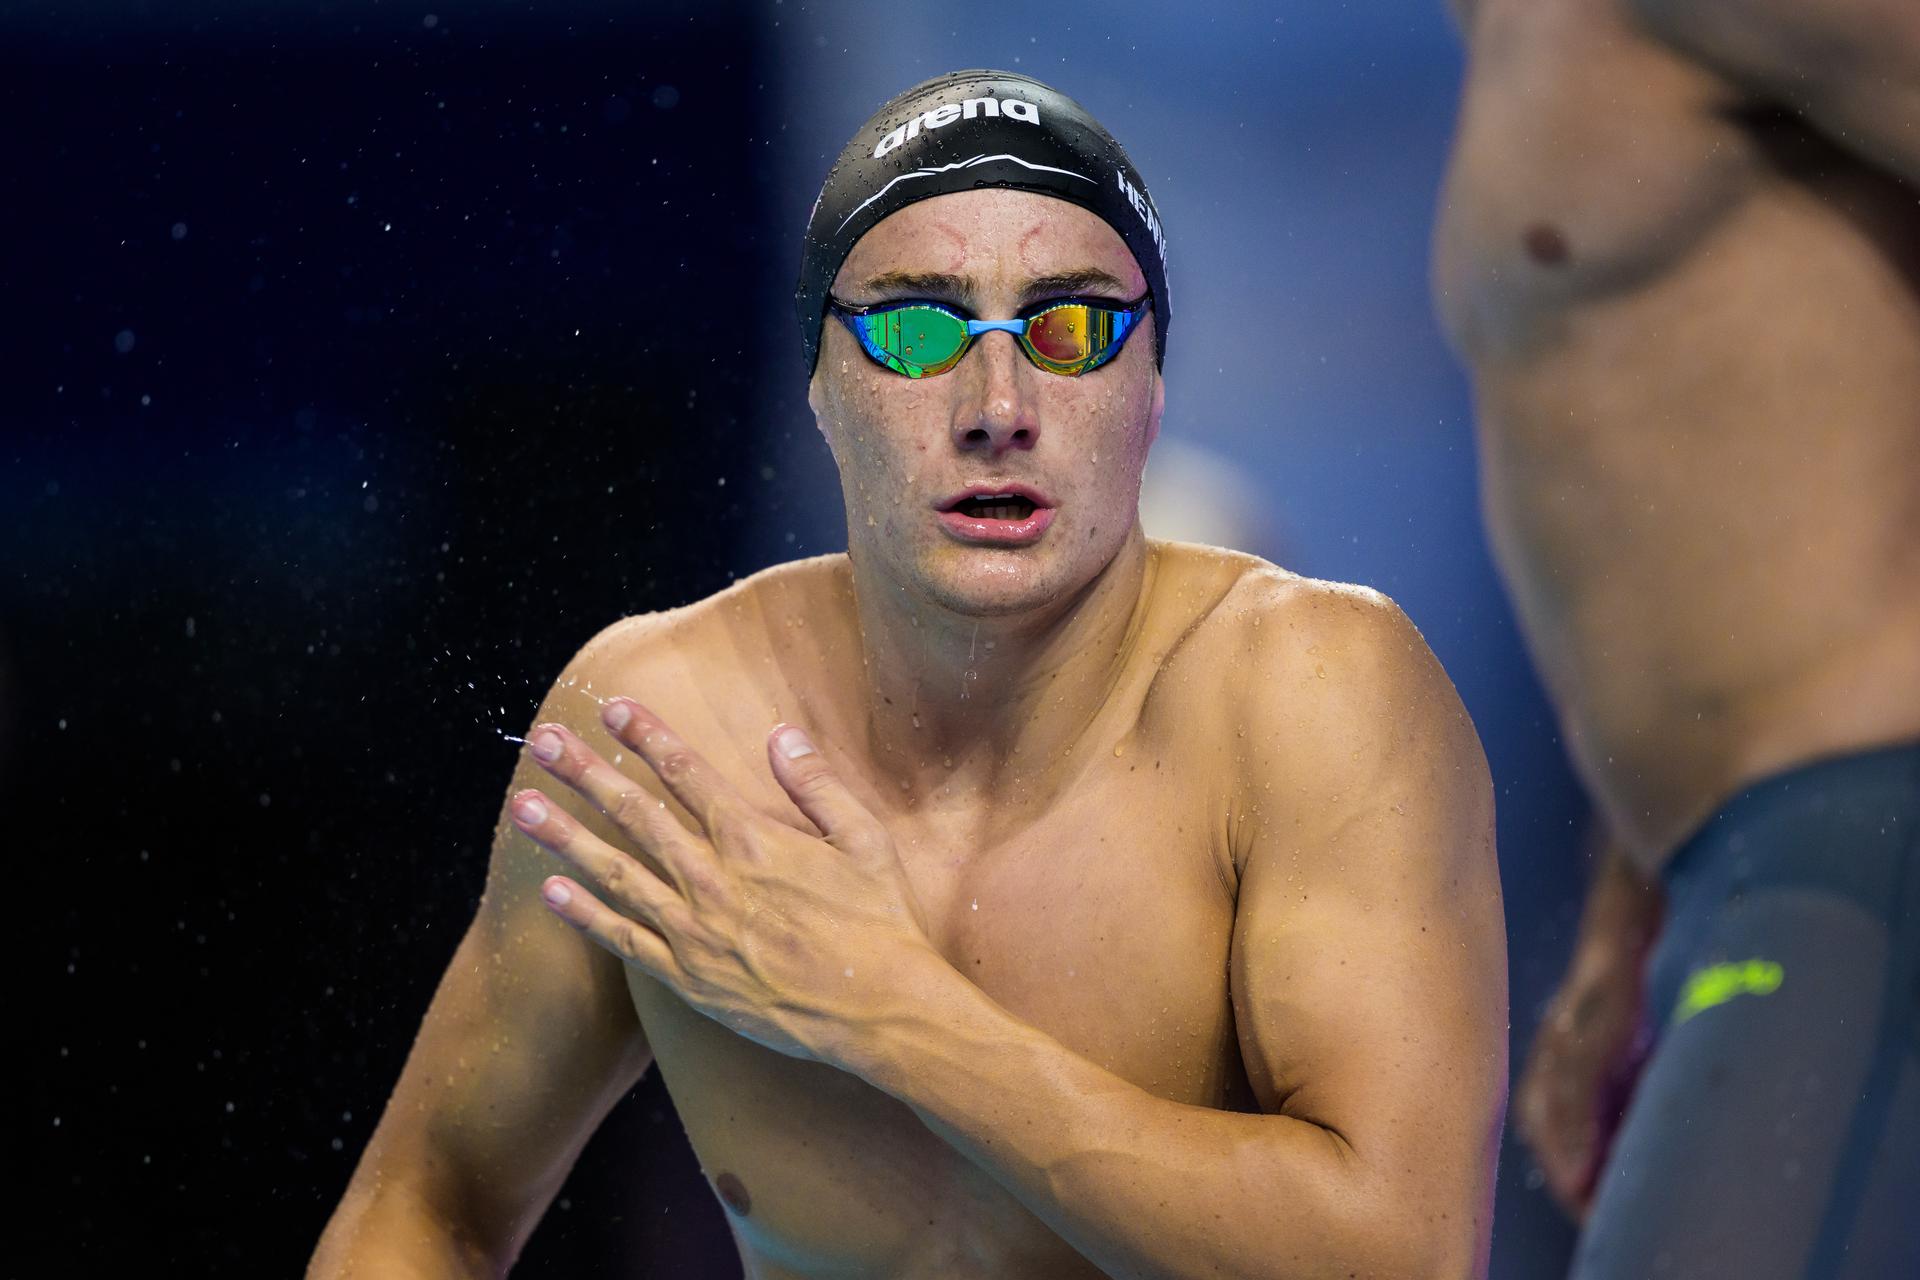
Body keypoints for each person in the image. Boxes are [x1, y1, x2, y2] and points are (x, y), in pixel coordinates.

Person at [311, 69, 1507, 1279]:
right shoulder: (666, 731)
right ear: (819, 389)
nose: (998, 404)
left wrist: (894, 1011)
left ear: (1155, 389)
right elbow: (428, 1203)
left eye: (1072, 325)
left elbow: (1399, 1257)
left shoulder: (1311, 695)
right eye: (920, 326)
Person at [1435, 2, 1920, 1275]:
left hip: (1867, 839)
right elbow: (1708, 482)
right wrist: (1631, 895)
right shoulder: (1515, 37)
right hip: (1754, 862)